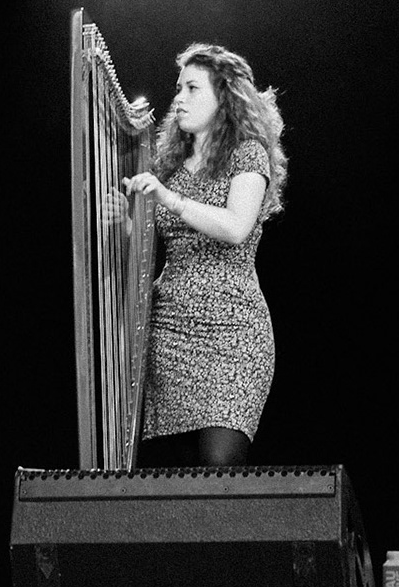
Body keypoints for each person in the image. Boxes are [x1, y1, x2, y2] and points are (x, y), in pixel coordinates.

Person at [123, 43, 287, 467]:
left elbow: (235, 227)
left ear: (224, 98)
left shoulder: (247, 154)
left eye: (192, 88)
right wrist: (118, 223)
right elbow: (149, 244)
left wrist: (171, 200)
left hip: (231, 331)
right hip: (168, 332)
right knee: (172, 484)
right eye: (179, 88)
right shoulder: (171, 164)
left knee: (218, 474)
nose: (178, 98)